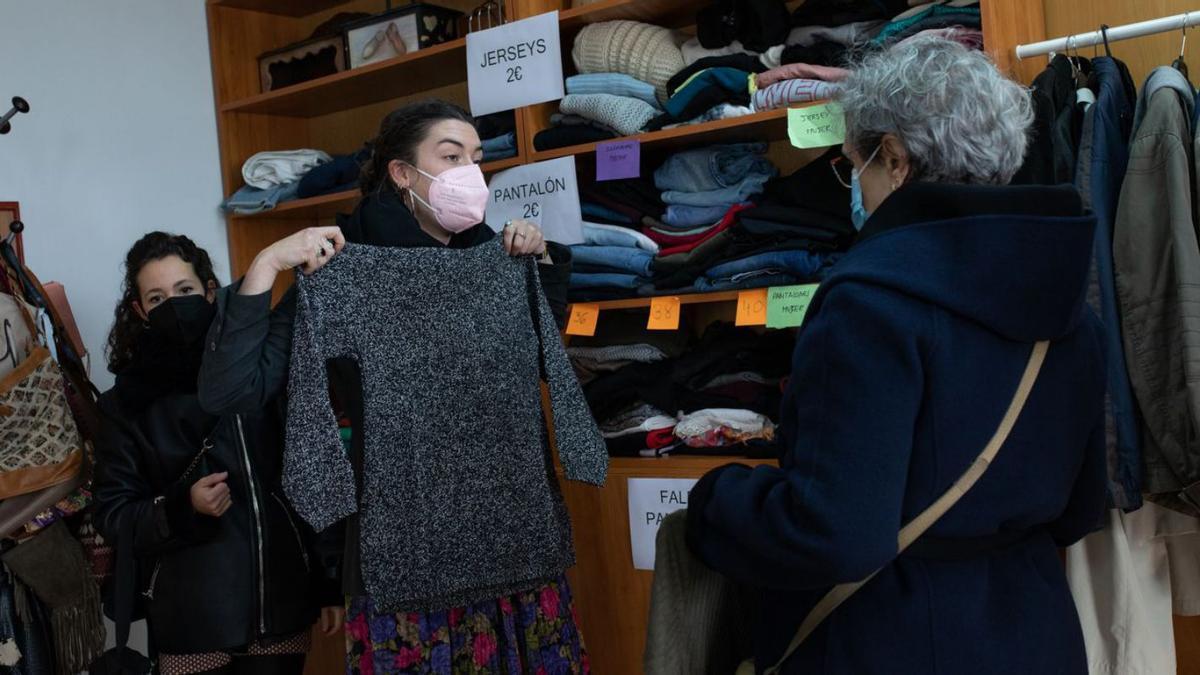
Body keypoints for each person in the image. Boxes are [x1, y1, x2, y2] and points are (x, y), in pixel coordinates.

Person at [685, 37, 1106, 674]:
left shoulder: (870, 303)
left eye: (854, 162)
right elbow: (1079, 508)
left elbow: (833, 534)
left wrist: (719, 501)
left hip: (892, 637)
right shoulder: (1068, 296)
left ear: (896, 158)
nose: (854, 181)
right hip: (1033, 629)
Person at [198, 99, 589, 675]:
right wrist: (266, 265)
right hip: (406, 552)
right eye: (451, 156)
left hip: (513, 537)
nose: (470, 173)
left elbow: (525, 361)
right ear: (402, 173)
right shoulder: (340, 266)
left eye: (477, 158)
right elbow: (230, 392)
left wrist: (542, 263)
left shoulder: (490, 254)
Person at [93, 233, 344, 675]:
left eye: (185, 291)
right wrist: (181, 508)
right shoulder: (123, 406)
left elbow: (310, 470)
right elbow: (114, 516)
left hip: (279, 609)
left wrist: (328, 583)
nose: (173, 305)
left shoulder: (261, 371)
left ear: (211, 291)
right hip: (190, 624)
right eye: (157, 297)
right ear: (139, 310)